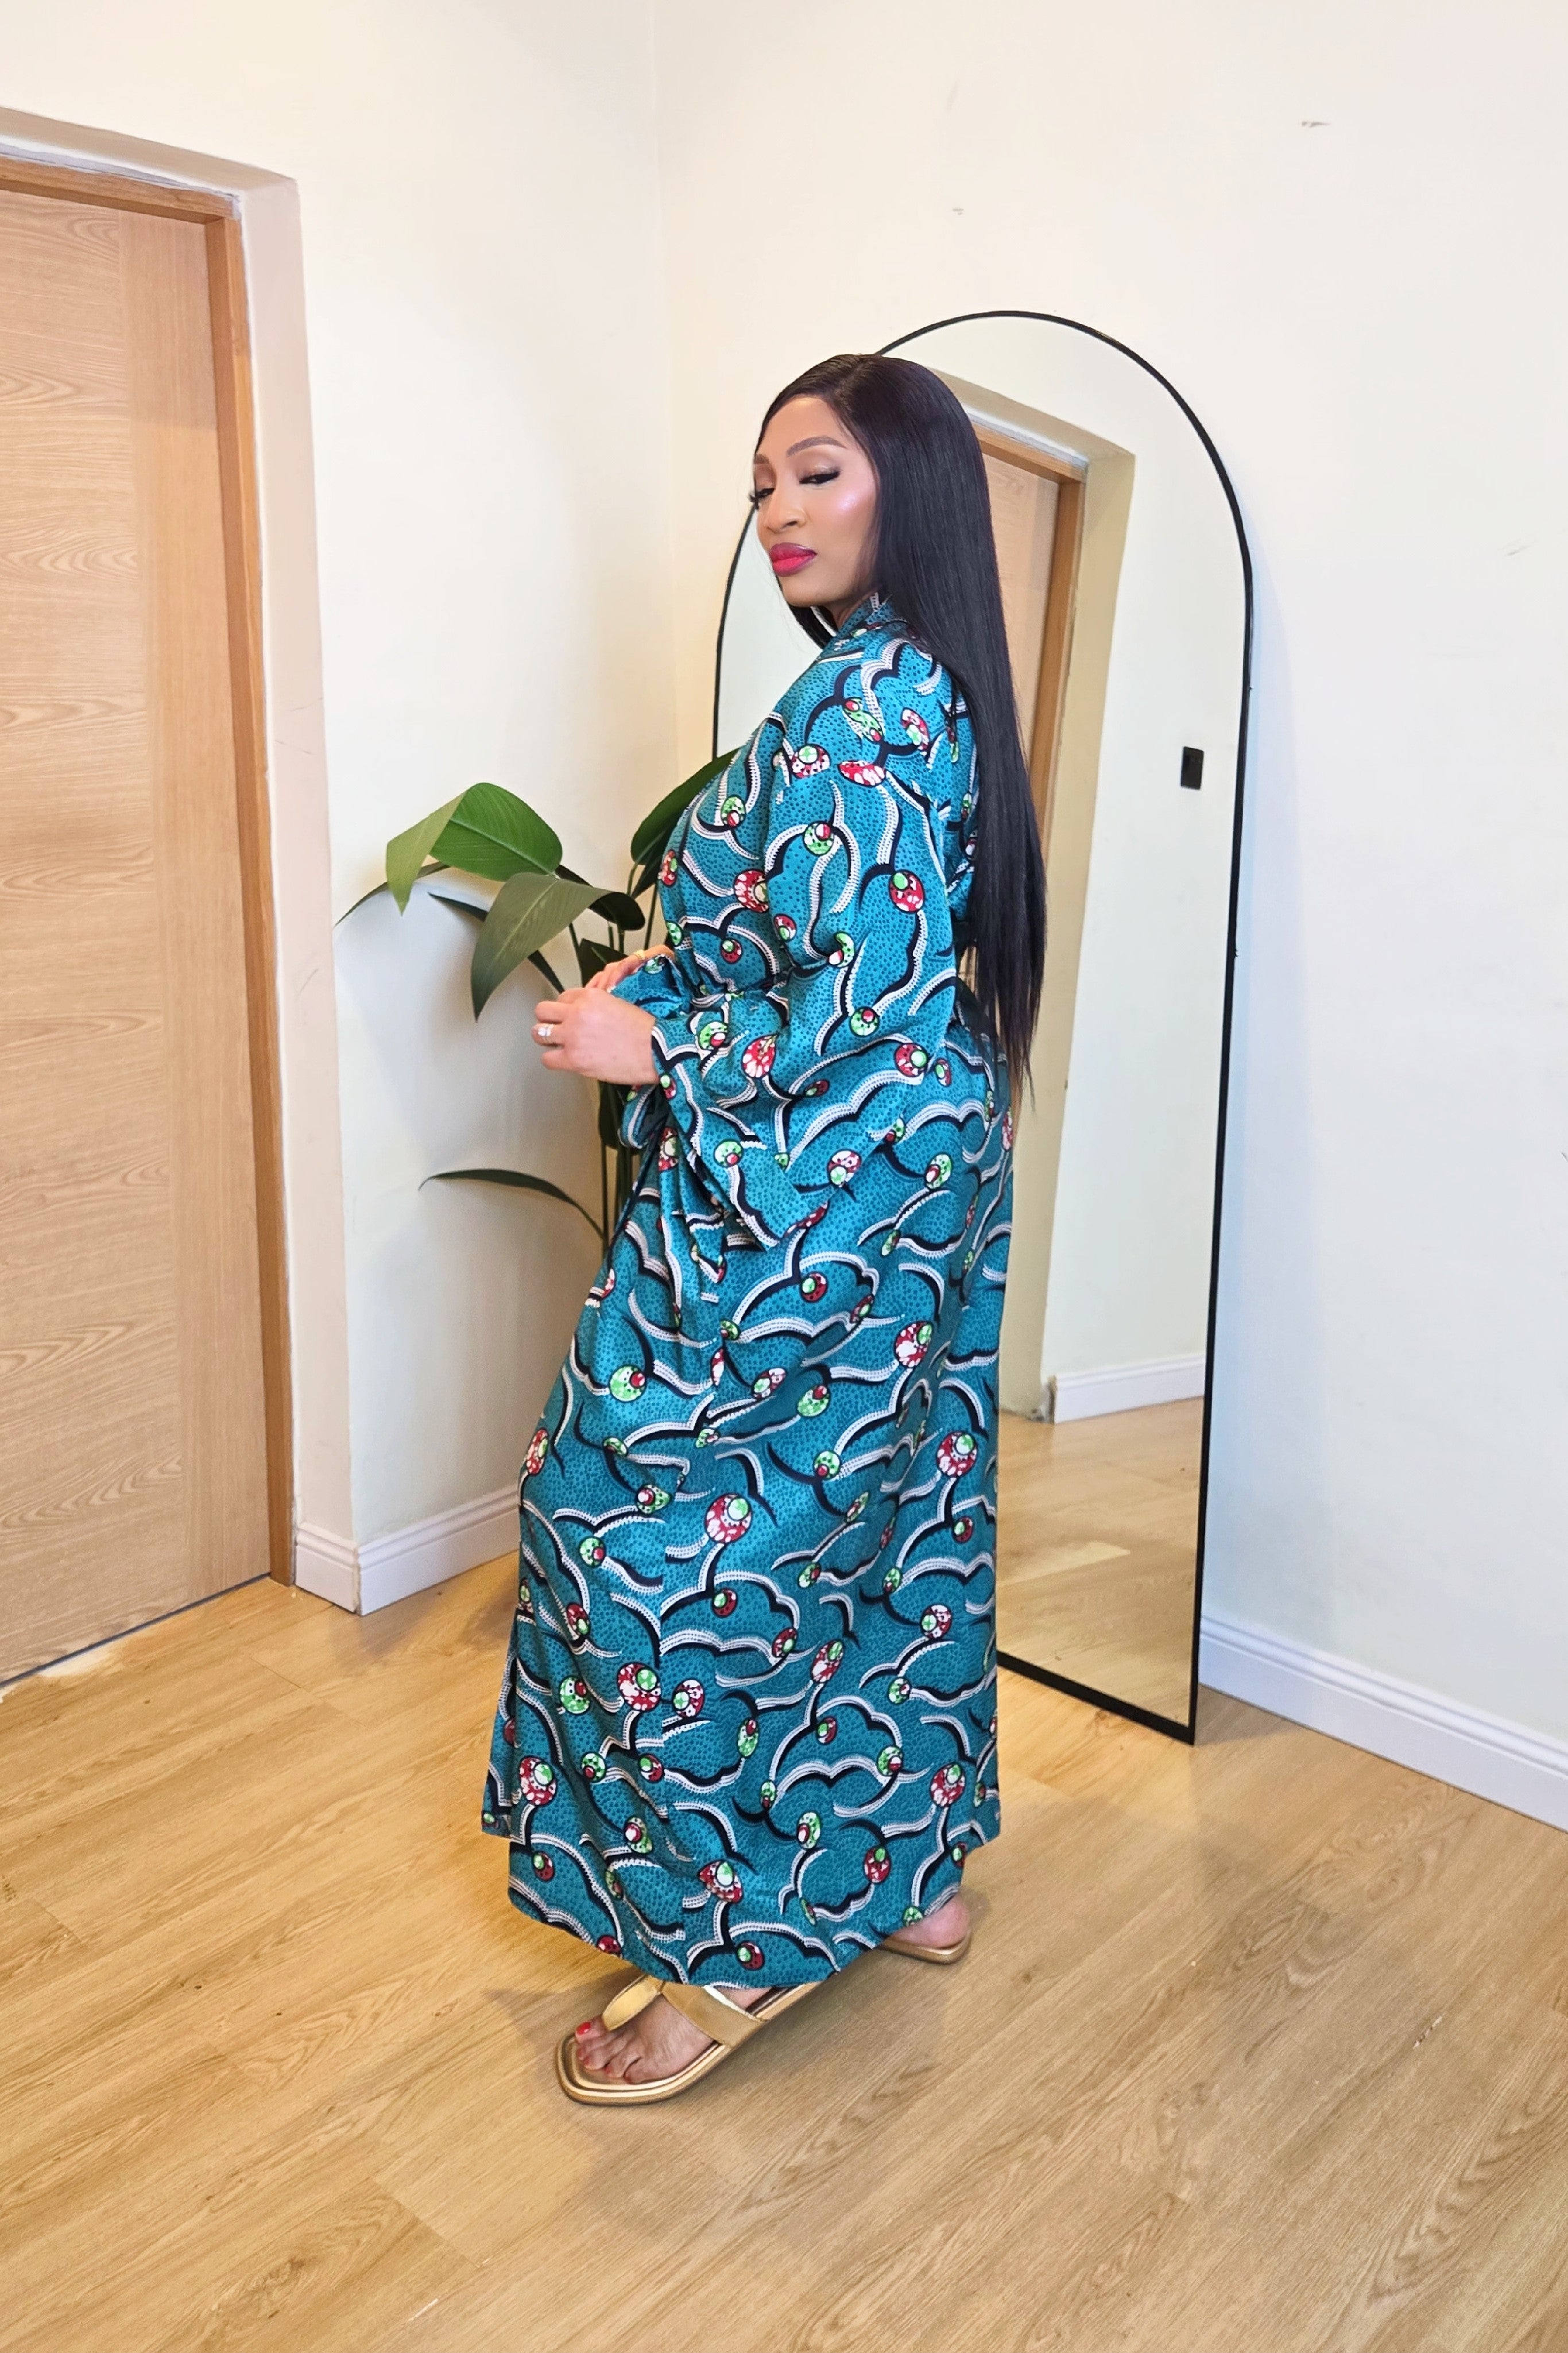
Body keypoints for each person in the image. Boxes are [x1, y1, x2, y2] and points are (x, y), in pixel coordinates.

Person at [481, 353, 1047, 2104]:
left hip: (818, 1183)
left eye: (818, 474)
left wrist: (655, 1036)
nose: (780, 512)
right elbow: (845, 963)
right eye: (763, 484)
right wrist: (691, 972)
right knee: (896, 1516)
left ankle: (719, 1954)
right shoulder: (919, 690)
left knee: (635, 1535)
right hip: (896, 1173)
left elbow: (855, 1010)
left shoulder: (873, 705)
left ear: (911, 489)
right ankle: (913, 1871)